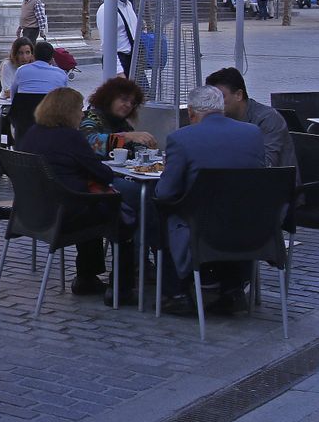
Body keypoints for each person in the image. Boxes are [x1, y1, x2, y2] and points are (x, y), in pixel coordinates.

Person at [156, 85, 266, 313]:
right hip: (250, 227)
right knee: (227, 210)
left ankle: (176, 292)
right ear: (221, 108)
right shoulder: (252, 133)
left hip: (202, 229)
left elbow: (165, 192)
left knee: (160, 212)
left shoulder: (181, 139)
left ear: (191, 113)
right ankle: (232, 288)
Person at [18, 87, 120, 296]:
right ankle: (123, 283)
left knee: (90, 204)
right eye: (79, 109)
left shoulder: (32, 133)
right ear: (68, 112)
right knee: (122, 214)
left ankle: (87, 277)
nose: (82, 114)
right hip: (63, 214)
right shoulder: (70, 137)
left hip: (31, 212)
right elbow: (103, 174)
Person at [204, 67, 295, 169]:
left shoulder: (268, 118)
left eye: (220, 97)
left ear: (238, 95)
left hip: (274, 178)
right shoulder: (217, 120)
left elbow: (268, 165)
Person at [81, 77, 156, 157]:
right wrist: (125, 137)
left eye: (133, 103)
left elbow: (133, 148)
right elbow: (87, 142)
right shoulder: (91, 117)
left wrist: (145, 146)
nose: (128, 105)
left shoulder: (123, 124)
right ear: (109, 98)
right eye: (124, 99)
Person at [96, 0, 138, 76]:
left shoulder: (129, 6)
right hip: (118, 60)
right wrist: (119, 72)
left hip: (131, 59)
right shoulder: (106, 9)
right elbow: (107, 44)